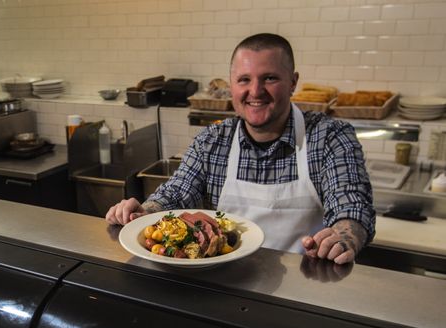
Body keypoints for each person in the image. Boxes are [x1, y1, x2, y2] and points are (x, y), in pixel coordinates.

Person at [106, 33, 374, 265]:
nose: (255, 91)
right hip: (222, 285)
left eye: (269, 78)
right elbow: (176, 194)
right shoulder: (212, 140)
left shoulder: (329, 137)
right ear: (232, 84)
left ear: (293, 82)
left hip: (304, 287)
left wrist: (343, 236)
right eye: (244, 80)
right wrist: (145, 212)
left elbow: (350, 206)